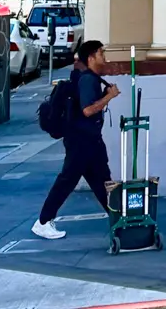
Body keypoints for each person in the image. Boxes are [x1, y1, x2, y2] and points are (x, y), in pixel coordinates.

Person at [32, 39, 120, 240]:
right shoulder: (88, 80)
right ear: (91, 57)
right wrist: (109, 97)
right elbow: (88, 110)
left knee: (102, 182)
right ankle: (43, 222)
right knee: (67, 181)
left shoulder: (91, 78)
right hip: (81, 141)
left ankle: (119, 220)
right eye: (101, 53)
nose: (104, 58)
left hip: (90, 141)